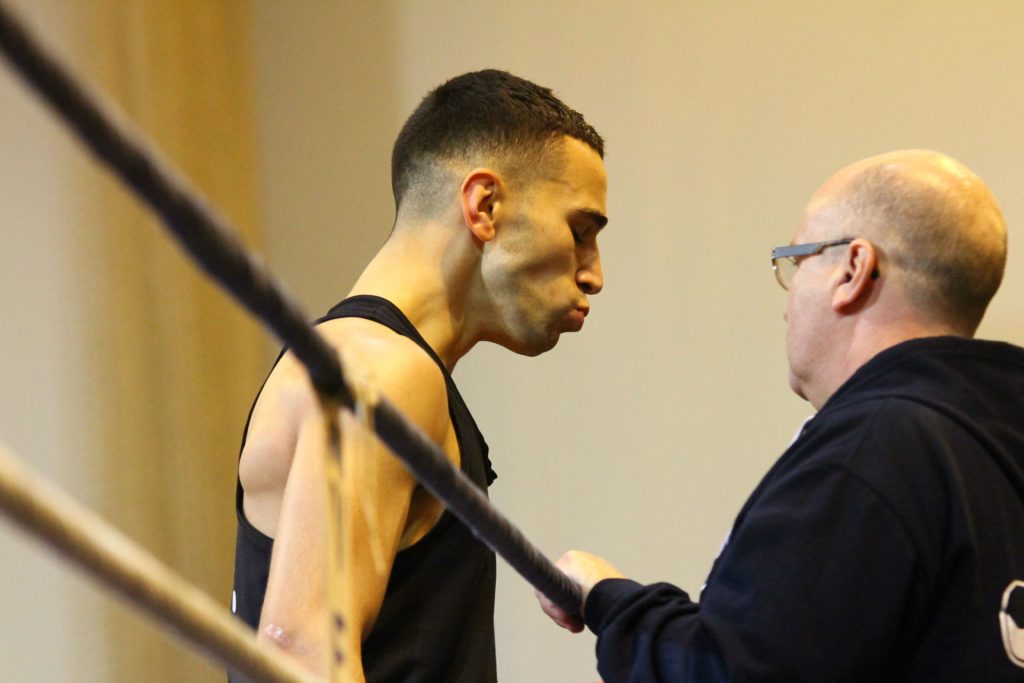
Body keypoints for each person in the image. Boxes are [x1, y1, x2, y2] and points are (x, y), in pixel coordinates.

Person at [539, 150, 1024, 682]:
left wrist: (608, 601)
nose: (788, 303)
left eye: (797, 261)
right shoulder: (993, 441)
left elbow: (732, 674)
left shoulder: (874, 451)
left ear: (853, 270)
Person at [230, 69, 607, 682]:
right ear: (484, 206)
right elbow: (300, 652)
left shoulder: (366, 362)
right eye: (580, 232)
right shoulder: (380, 370)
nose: (593, 275)